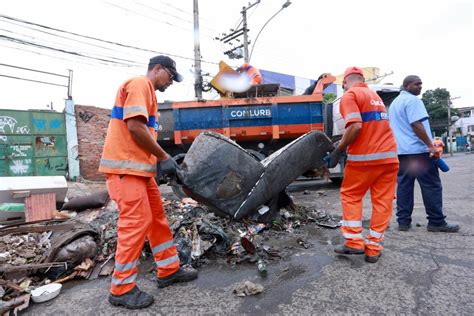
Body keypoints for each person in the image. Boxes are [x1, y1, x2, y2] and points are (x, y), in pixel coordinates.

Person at [99, 55, 198, 309]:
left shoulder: (150, 95)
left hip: (139, 173)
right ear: (157, 69)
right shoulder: (139, 84)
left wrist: (159, 165)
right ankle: (121, 288)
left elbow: (139, 137)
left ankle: (168, 270)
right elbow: (134, 127)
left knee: (156, 219)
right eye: (170, 77)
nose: (171, 83)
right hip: (125, 171)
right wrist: (163, 157)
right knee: (136, 223)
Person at [325, 67, 399, 263]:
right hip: (389, 158)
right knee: (382, 202)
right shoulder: (375, 97)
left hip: (365, 158)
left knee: (351, 195)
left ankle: (354, 242)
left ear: (344, 83)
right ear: (362, 79)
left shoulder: (350, 95)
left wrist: (338, 149)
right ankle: (373, 248)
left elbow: (355, 125)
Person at [388, 75, 460, 233]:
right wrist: (430, 146)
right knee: (431, 186)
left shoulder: (395, 104)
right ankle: (436, 222)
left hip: (402, 153)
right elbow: (416, 123)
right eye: (416, 84)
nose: (420, 87)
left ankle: (403, 222)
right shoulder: (413, 101)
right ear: (406, 86)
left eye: (421, 84)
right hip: (418, 152)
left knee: (404, 186)